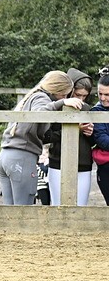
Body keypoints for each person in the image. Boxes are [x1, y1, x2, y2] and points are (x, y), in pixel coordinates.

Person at [0, 71, 84, 205]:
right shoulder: (41, 98)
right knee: (24, 211)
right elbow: (39, 114)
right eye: (64, 94)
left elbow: (43, 133)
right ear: (57, 90)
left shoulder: (31, 96)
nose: (65, 97)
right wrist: (62, 102)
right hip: (21, 158)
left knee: (10, 212)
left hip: (6, 156)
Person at [42, 68, 95, 206]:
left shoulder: (87, 109)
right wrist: (74, 129)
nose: (81, 100)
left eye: (85, 96)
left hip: (83, 165)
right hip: (58, 162)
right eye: (78, 95)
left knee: (81, 207)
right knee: (57, 206)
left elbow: (92, 142)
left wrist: (90, 133)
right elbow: (47, 136)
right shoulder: (56, 108)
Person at [90, 70, 109, 205]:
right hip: (106, 166)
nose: (102, 98)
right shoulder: (96, 111)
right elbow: (102, 139)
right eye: (100, 94)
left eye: (107, 94)